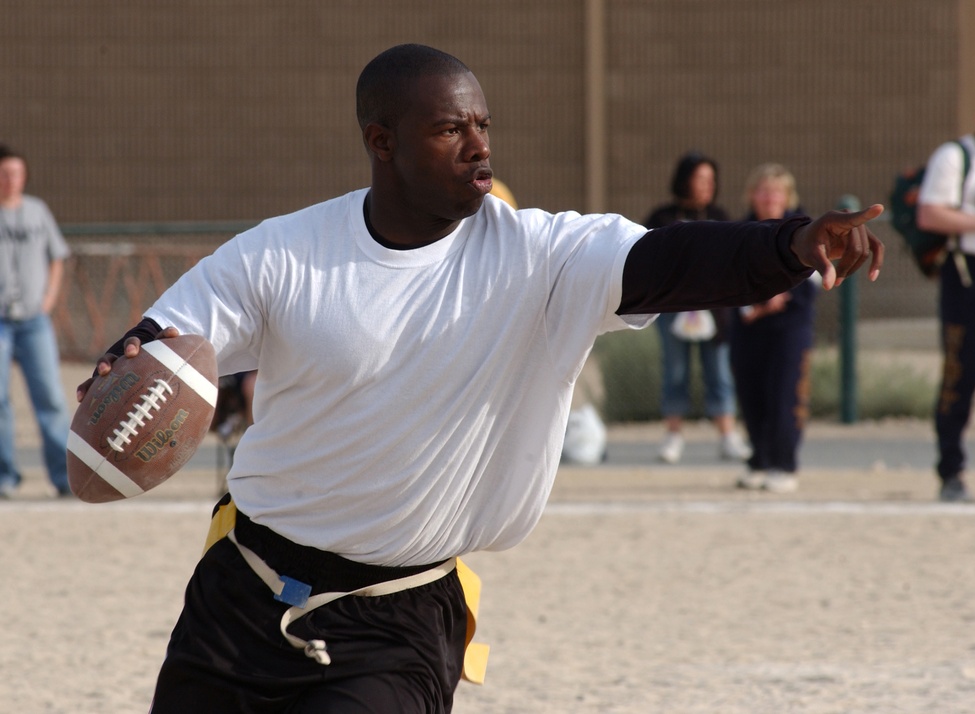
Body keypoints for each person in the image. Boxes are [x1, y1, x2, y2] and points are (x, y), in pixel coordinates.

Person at [76, 44, 884, 713]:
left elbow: (670, 261)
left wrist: (790, 244)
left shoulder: (540, 257)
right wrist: (128, 365)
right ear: (382, 140)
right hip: (238, 592)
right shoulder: (285, 253)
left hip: (394, 625)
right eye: (450, 128)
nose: (479, 147)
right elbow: (169, 338)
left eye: (484, 125)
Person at [917, 82, 975, 503]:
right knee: (960, 376)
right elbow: (930, 212)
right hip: (969, 277)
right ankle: (951, 470)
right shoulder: (957, 156)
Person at [644, 151, 750, 464]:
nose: (707, 185)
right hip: (673, 308)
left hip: (715, 310)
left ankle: (728, 436)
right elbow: (646, 257)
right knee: (674, 371)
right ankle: (673, 436)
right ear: (684, 180)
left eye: (711, 180)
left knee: (719, 370)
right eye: (700, 178)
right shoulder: (662, 218)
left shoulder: (719, 215)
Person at [730, 164, 818, 494]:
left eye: (776, 192)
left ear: (788, 197)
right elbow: (726, 275)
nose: (769, 198)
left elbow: (815, 280)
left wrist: (779, 298)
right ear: (752, 196)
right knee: (751, 395)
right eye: (763, 191)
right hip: (749, 327)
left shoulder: (804, 230)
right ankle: (760, 460)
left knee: (784, 395)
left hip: (788, 328)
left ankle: (784, 464)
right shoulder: (741, 231)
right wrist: (751, 306)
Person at [0, 143, 72, 498]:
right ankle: (4, 478)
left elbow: (57, 256)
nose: (10, 180)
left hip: (33, 320)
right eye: (4, 173)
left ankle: (64, 477)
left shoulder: (37, 211)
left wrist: (48, 299)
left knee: (51, 398)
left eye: (15, 173)